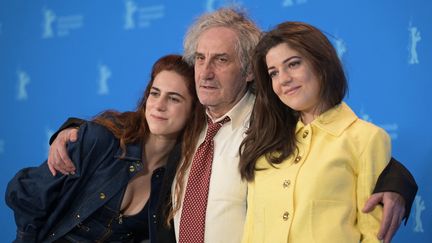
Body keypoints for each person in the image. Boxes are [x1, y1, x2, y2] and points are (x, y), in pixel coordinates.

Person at [47, 8, 417, 243]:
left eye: (221, 60)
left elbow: (334, 141)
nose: (205, 72)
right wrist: (72, 129)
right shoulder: (188, 117)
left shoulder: (274, 120)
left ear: (249, 72)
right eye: (201, 59)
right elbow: (138, 122)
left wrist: (396, 183)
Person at [239, 21, 412, 242]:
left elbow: (374, 235)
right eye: (273, 73)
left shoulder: (366, 139)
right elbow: (251, 232)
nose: (283, 79)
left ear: (321, 63)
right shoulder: (266, 143)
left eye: (293, 64)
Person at [5, 55, 205, 242]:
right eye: (155, 93)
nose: (159, 105)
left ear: (193, 110)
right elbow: (27, 195)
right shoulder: (101, 140)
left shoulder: (180, 177)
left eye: (174, 98)